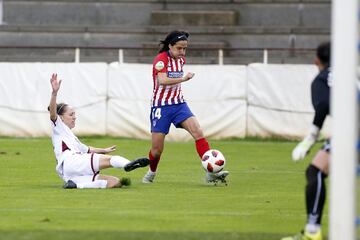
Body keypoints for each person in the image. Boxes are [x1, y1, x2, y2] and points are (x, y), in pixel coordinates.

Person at [142, 30, 229, 184]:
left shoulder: (181, 60)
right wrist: (184, 78)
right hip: (161, 107)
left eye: (184, 48)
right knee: (156, 151)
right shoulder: (161, 60)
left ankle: (210, 173)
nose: (182, 52)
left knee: (198, 132)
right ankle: (151, 173)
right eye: (179, 48)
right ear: (170, 46)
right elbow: (162, 80)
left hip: (179, 104)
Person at [49, 73, 149, 189]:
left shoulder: (71, 137)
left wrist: (104, 150)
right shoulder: (58, 127)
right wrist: (54, 93)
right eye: (71, 114)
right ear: (61, 117)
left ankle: (77, 185)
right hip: (73, 162)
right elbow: (52, 113)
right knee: (110, 160)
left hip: (69, 172)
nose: (74, 117)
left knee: (115, 182)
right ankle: (128, 164)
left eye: (75, 114)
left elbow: (88, 149)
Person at [282, 42, 331, 240]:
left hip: (353, 132)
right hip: (352, 129)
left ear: (316, 60)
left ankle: (312, 231)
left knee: (315, 171)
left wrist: (310, 138)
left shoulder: (321, 79)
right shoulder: (349, 75)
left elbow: (324, 105)